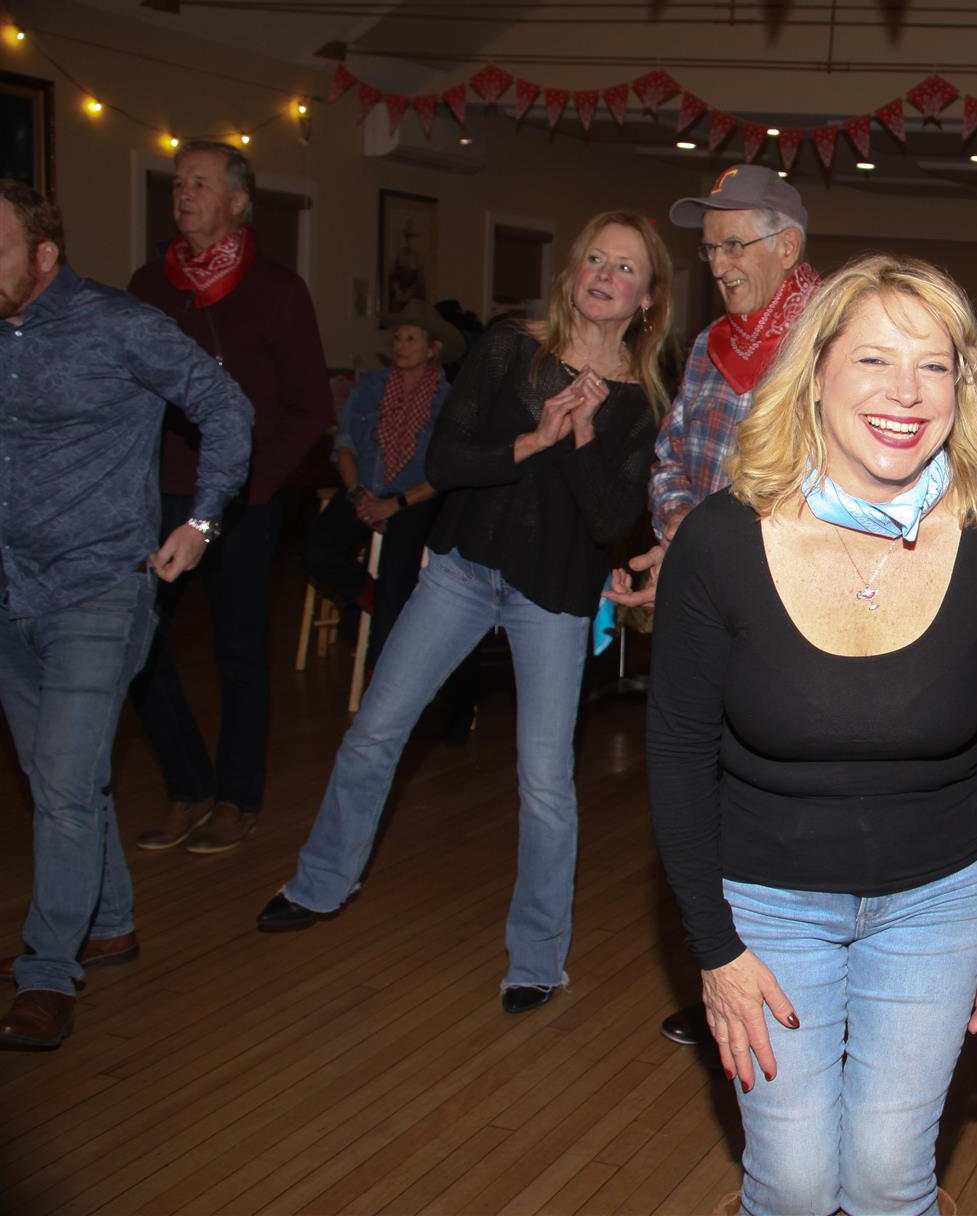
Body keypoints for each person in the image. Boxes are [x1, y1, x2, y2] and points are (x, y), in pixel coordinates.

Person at [645, 254, 977, 1216]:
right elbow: (674, 754)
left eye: (935, 365)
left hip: (939, 899)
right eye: (875, 361)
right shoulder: (720, 539)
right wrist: (713, 950)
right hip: (765, 906)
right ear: (816, 371)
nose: (906, 395)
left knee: (885, 1175)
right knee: (788, 1184)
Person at [255, 210, 672, 1017]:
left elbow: (609, 520)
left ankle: (538, 960)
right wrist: (530, 440)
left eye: (625, 268)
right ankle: (319, 883)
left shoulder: (641, 402)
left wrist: (580, 437)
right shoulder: (511, 348)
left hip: (552, 595)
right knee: (375, 728)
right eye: (594, 257)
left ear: (647, 299)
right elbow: (445, 460)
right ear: (573, 271)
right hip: (459, 570)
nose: (604, 275)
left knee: (545, 782)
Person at [0, 181, 251, 1049]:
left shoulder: (118, 323)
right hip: (11, 592)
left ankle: (45, 976)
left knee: (63, 787)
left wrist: (202, 519)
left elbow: (226, 406)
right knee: (57, 779)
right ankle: (108, 920)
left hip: (102, 588)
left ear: (43, 254)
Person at [604, 164, 821, 1049]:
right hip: (709, 597)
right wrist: (678, 536)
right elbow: (672, 456)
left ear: (788, 246)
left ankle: (802, 986)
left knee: (781, 797)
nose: (721, 263)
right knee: (711, 789)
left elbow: (826, 476)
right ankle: (730, 975)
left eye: (737, 245)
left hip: (797, 604)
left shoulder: (833, 338)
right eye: (711, 249)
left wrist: (711, 533)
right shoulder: (708, 346)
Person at [126, 140, 333, 855]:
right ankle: (188, 784)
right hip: (159, 494)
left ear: (238, 202)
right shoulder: (149, 286)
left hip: (245, 500)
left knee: (241, 651)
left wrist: (252, 488)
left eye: (201, 184)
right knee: (137, 645)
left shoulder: (277, 289)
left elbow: (311, 409)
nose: (183, 194)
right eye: (178, 183)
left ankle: (237, 800)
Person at [300, 321, 451, 672]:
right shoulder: (370, 386)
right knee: (315, 551)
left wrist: (395, 504)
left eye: (411, 338)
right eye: (397, 337)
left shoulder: (447, 399)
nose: (400, 345)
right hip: (365, 486)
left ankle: (381, 675)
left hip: (412, 497)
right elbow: (347, 446)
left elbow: (444, 472)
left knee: (397, 579)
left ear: (432, 349)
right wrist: (358, 495)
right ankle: (367, 594)